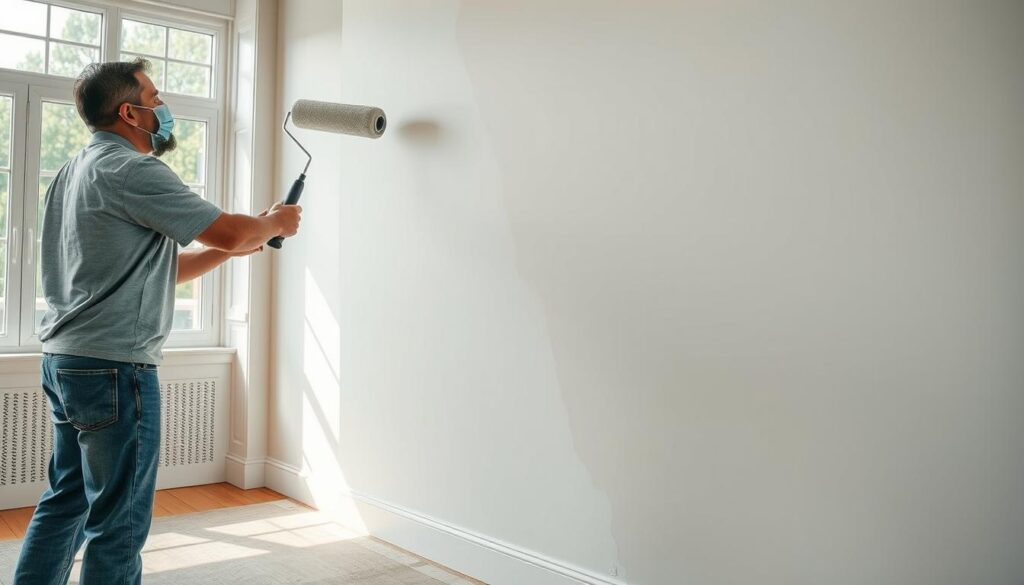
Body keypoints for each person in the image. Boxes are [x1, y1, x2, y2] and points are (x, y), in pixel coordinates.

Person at [11, 58, 301, 585]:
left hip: (67, 362)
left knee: (67, 501)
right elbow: (232, 231)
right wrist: (273, 222)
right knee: (118, 523)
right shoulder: (132, 170)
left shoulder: (73, 171)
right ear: (130, 112)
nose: (164, 109)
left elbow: (159, 270)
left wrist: (239, 245)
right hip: (114, 368)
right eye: (156, 98)